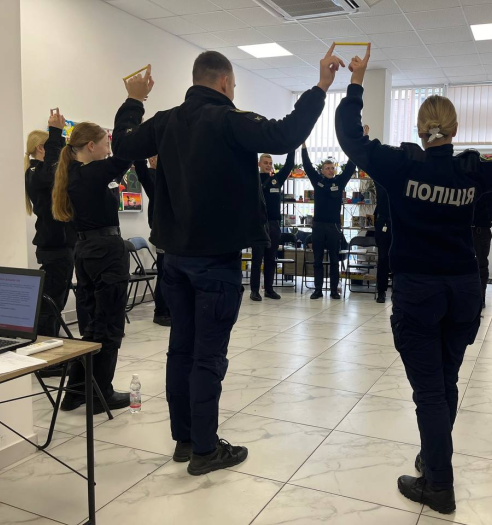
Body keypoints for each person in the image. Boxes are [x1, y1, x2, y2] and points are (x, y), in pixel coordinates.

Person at [111, 48, 343, 476]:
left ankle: (185, 440)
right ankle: (205, 450)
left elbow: (122, 143)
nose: (233, 91)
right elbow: (285, 134)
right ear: (223, 82)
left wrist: (134, 99)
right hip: (215, 263)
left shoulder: (165, 121)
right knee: (208, 357)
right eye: (233, 85)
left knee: (180, 350)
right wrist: (321, 87)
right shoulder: (228, 120)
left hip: (174, 261)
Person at [336, 50, 492, 514]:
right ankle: (433, 458)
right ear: (454, 129)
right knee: (446, 382)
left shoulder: (401, 166)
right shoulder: (472, 170)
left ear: (420, 129)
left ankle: (438, 484)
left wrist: (355, 83)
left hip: (418, 292)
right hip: (462, 291)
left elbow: (349, 137)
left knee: (429, 392)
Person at [51, 122, 132, 414]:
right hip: (105, 252)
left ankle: (76, 392)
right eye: (106, 144)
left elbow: (117, 168)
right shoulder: (91, 173)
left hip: (86, 252)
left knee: (94, 325)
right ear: (90, 146)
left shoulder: (74, 172)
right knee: (108, 325)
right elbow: (124, 157)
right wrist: (133, 113)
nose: (109, 150)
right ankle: (101, 394)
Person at [25, 109, 76, 338]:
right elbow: (52, 170)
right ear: (40, 148)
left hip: (61, 245)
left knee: (57, 300)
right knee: (51, 303)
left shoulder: (40, 172)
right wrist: (55, 132)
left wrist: (59, 138)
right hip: (54, 247)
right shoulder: (35, 172)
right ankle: (46, 346)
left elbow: (59, 168)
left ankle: (50, 342)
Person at [301, 145, 356, 299]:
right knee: (317, 259)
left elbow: (350, 168)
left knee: (334, 260)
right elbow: (307, 166)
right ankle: (318, 290)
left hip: (334, 227)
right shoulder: (317, 181)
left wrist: (356, 145)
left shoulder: (339, 182)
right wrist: (304, 147)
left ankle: (333, 291)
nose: (331, 170)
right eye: (327, 168)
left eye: (332, 168)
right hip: (318, 225)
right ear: (322, 171)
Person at [249, 150, 295, 301]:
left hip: (274, 224)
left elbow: (289, 165)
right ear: (259, 164)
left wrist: (292, 146)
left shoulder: (276, 179)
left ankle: (269, 289)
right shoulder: (253, 179)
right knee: (257, 259)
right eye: (265, 163)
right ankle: (254, 291)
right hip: (258, 224)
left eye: (270, 163)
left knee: (271, 258)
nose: (268, 165)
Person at [133, 155, 171, 326]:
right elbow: (141, 170)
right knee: (165, 272)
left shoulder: (170, 176)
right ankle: (161, 312)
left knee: (172, 273)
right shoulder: (151, 176)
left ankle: (170, 309)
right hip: (163, 232)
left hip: (175, 232)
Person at [471, 190, 492, 308]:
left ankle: (480, 299)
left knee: (480, 266)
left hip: (479, 230)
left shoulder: (486, 184)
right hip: (473, 229)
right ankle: (476, 298)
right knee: (478, 266)